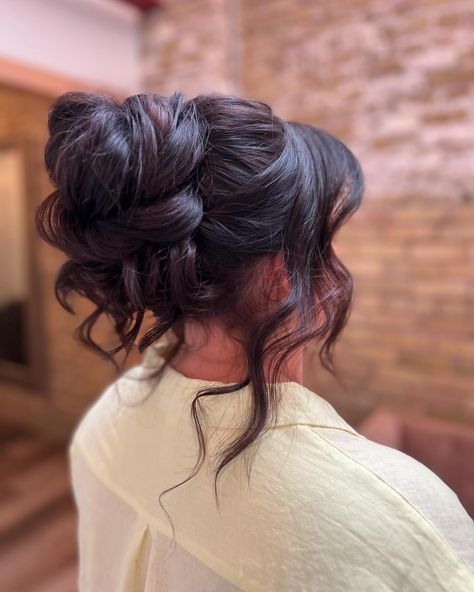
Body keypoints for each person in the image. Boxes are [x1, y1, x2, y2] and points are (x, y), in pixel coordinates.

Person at [36, 90, 474, 591]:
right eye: (326, 242)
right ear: (280, 272)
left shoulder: (105, 421)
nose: (336, 271)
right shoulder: (390, 518)